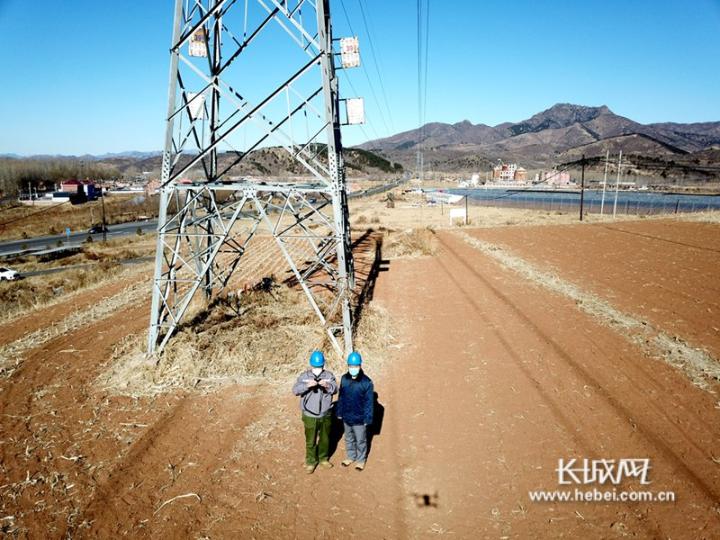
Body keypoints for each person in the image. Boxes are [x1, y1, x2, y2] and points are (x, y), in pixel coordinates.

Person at [292, 350, 338, 474]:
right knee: (310, 440)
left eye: (320, 366)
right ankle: (311, 461)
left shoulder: (329, 375)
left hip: (325, 413)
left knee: (325, 438)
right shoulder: (304, 376)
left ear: (323, 365)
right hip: (309, 414)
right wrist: (307, 386)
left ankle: (323, 459)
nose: (317, 369)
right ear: (311, 365)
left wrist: (327, 386)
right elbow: (295, 390)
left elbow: (335, 389)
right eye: (315, 366)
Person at [336, 351, 374, 471]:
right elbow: (341, 397)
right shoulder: (344, 379)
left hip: (359, 418)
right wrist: (339, 412)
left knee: (361, 440)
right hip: (347, 416)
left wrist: (367, 419)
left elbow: (369, 403)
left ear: (360, 366)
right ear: (348, 366)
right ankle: (351, 456)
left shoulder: (367, 383)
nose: (353, 368)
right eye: (351, 366)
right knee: (348, 438)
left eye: (356, 366)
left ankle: (361, 460)